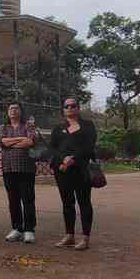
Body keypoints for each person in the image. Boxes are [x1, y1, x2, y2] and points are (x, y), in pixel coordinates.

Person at [50, 97, 97, 251]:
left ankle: (85, 237)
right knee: (67, 203)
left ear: (78, 108)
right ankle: (69, 235)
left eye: (73, 105)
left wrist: (74, 159)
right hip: (62, 170)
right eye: (66, 106)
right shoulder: (58, 128)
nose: (69, 108)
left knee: (84, 202)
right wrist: (63, 159)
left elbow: (89, 147)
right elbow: (52, 149)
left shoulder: (87, 126)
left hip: (81, 169)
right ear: (63, 110)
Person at [0, 103, 38, 243]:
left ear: (21, 111)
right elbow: (2, 141)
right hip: (8, 168)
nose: (13, 111)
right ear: (7, 112)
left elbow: (30, 142)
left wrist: (11, 144)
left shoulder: (27, 126)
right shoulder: (3, 127)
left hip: (26, 168)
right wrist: (20, 139)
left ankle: (29, 229)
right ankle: (17, 228)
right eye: (11, 108)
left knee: (27, 199)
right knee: (13, 200)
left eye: (16, 108)